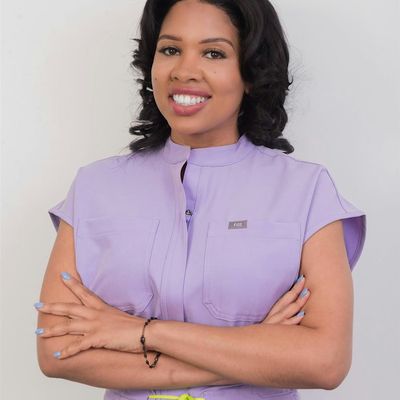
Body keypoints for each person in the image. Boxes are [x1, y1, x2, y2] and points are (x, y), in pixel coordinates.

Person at [35, 1, 367, 399]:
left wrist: (141, 333)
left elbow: (325, 361)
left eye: (214, 53)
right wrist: (254, 353)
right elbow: (57, 351)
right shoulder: (94, 187)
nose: (184, 70)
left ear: (251, 73)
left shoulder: (307, 191)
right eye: (170, 49)